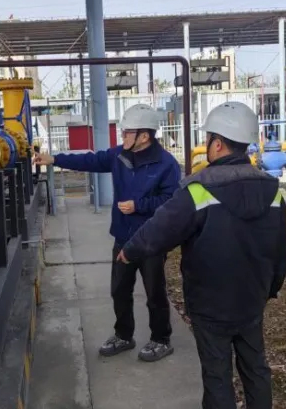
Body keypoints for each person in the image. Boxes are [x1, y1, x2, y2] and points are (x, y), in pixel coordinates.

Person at [117, 102, 286, 408]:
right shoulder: (272, 190)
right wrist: (269, 289)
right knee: (256, 368)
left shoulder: (199, 189)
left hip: (211, 303)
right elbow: (280, 250)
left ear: (218, 143)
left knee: (217, 375)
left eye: (208, 138)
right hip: (252, 299)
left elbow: (160, 228)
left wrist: (129, 252)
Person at [34, 104, 180, 362]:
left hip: (152, 241)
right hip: (123, 237)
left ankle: (161, 339)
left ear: (144, 136)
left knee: (154, 294)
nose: (122, 136)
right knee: (119, 290)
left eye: (127, 132)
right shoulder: (119, 155)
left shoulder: (166, 164)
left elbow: (171, 201)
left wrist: (139, 206)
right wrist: (55, 159)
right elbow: (90, 160)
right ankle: (124, 335)